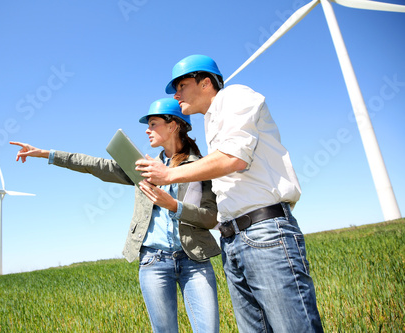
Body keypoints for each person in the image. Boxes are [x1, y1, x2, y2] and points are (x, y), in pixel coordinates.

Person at [135, 55, 324, 332]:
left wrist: (169, 175)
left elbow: (235, 158)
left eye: (181, 85)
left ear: (206, 83)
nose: (176, 95)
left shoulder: (235, 96)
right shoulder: (211, 121)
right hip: (234, 241)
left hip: (264, 232)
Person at [10, 98, 221, 333]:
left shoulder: (201, 166)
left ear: (173, 126)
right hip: (154, 261)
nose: (147, 130)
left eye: (153, 123)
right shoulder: (143, 167)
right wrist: (47, 154)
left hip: (194, 260)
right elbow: (96, 165)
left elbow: (211, 217)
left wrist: (174, 206)